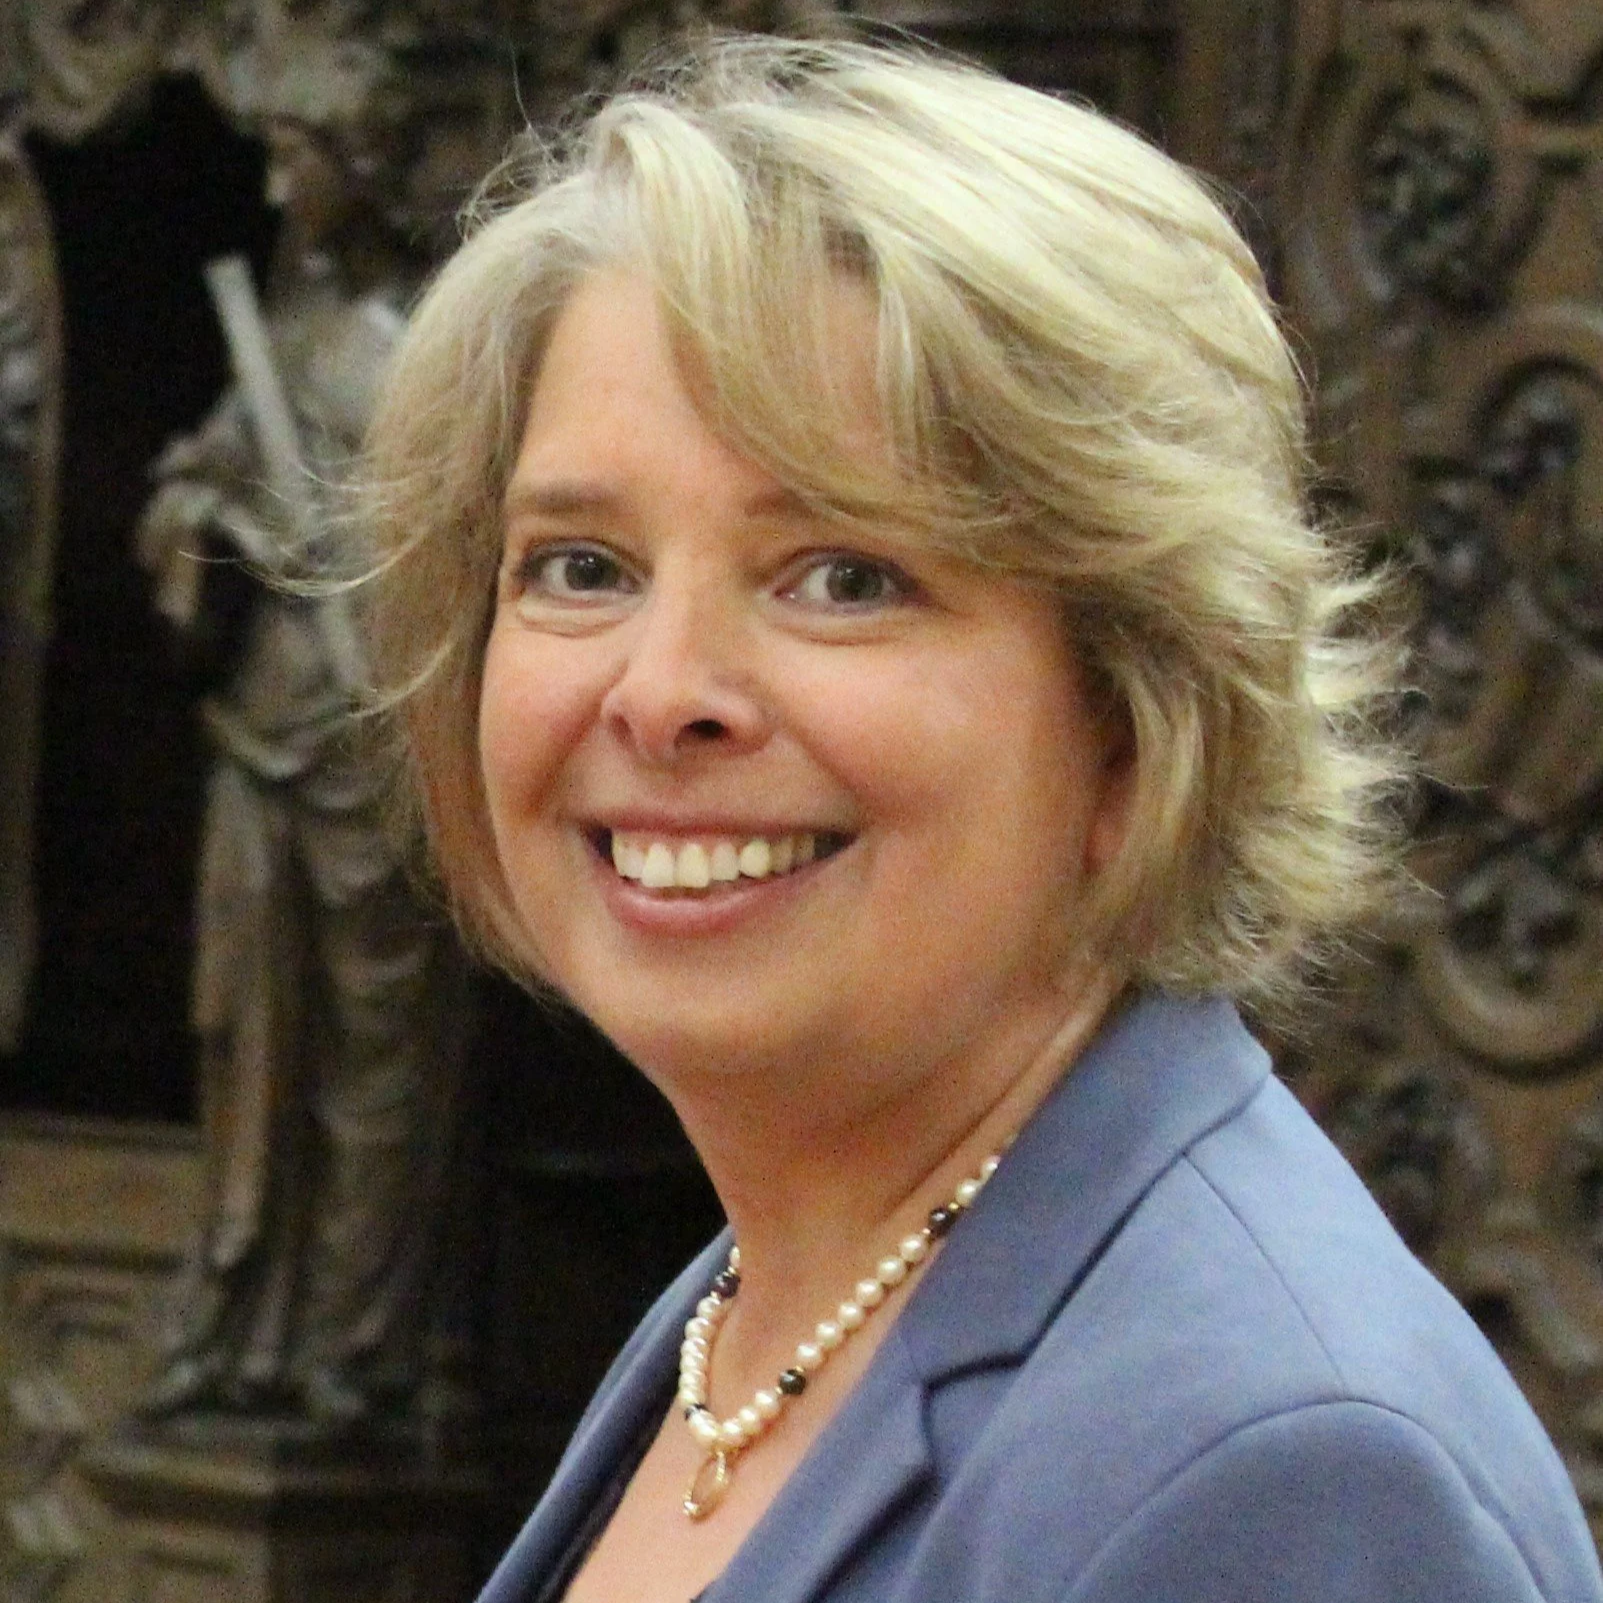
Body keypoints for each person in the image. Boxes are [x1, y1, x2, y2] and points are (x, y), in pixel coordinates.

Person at [355, 35, 1603, 1602]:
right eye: (580, 566)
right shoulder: (779, 1294)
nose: (660, 690)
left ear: (1137, 710)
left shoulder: (1282, 1473)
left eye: (843, 576)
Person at [134, 39, 467, 1431]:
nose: (276, 189)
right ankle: (240, 1319)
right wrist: (211, 525)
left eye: (300, 161)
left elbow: (465, 557)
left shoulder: (423, 349)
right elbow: (181, 497)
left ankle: (356, 1339)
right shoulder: (272, 340)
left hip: (366, 749)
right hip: (257, 733)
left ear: (363, 173)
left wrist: (341, 558)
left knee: (370, 1066)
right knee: (245, 1039)